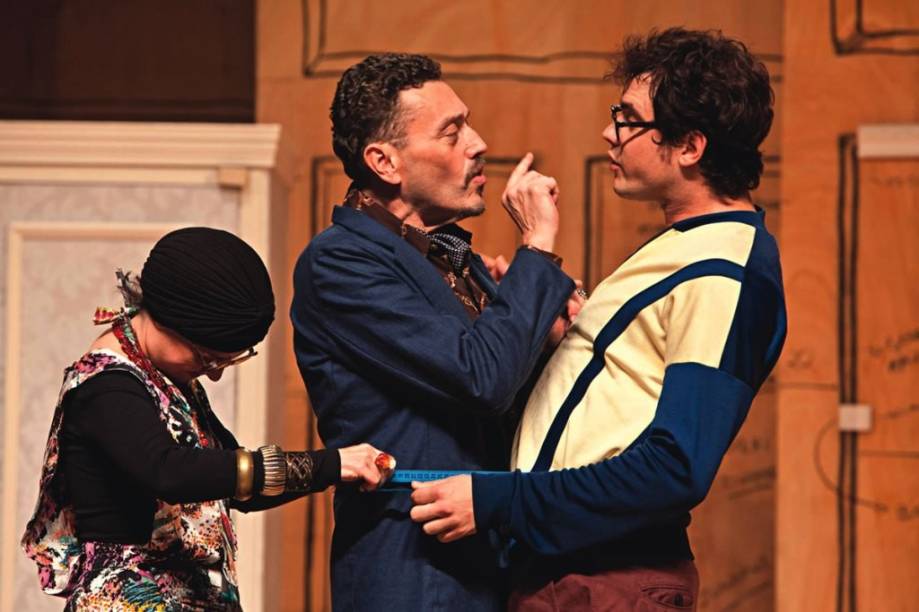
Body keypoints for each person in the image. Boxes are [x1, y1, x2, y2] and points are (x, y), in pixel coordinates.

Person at [411, 27, 787, 611]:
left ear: (690, 146)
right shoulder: (689, 246)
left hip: (606, 580)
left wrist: (497, 501)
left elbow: (675, 469)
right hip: (573, 574)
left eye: (628, 119)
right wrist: (566, 337)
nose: (610, 133)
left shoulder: (725, 269)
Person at [290, 54, 578, 611]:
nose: (478, 143)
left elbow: (504, 406)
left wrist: (546, 340)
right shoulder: (340, 262)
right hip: (414, 572)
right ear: (384, 162)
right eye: (452, 131)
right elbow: (481, 379)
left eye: (468, 124)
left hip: (488, 560)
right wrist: (537, 248)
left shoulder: (452, 258)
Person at [22, 227, 394, 611]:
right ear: (166, 320)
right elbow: (172, 472)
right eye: (207, 358)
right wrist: (328, 464)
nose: (213, 375)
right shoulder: (107, 385)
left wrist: (337, 471)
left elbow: (236, 484)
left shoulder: (167, 380)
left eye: (226, 361)